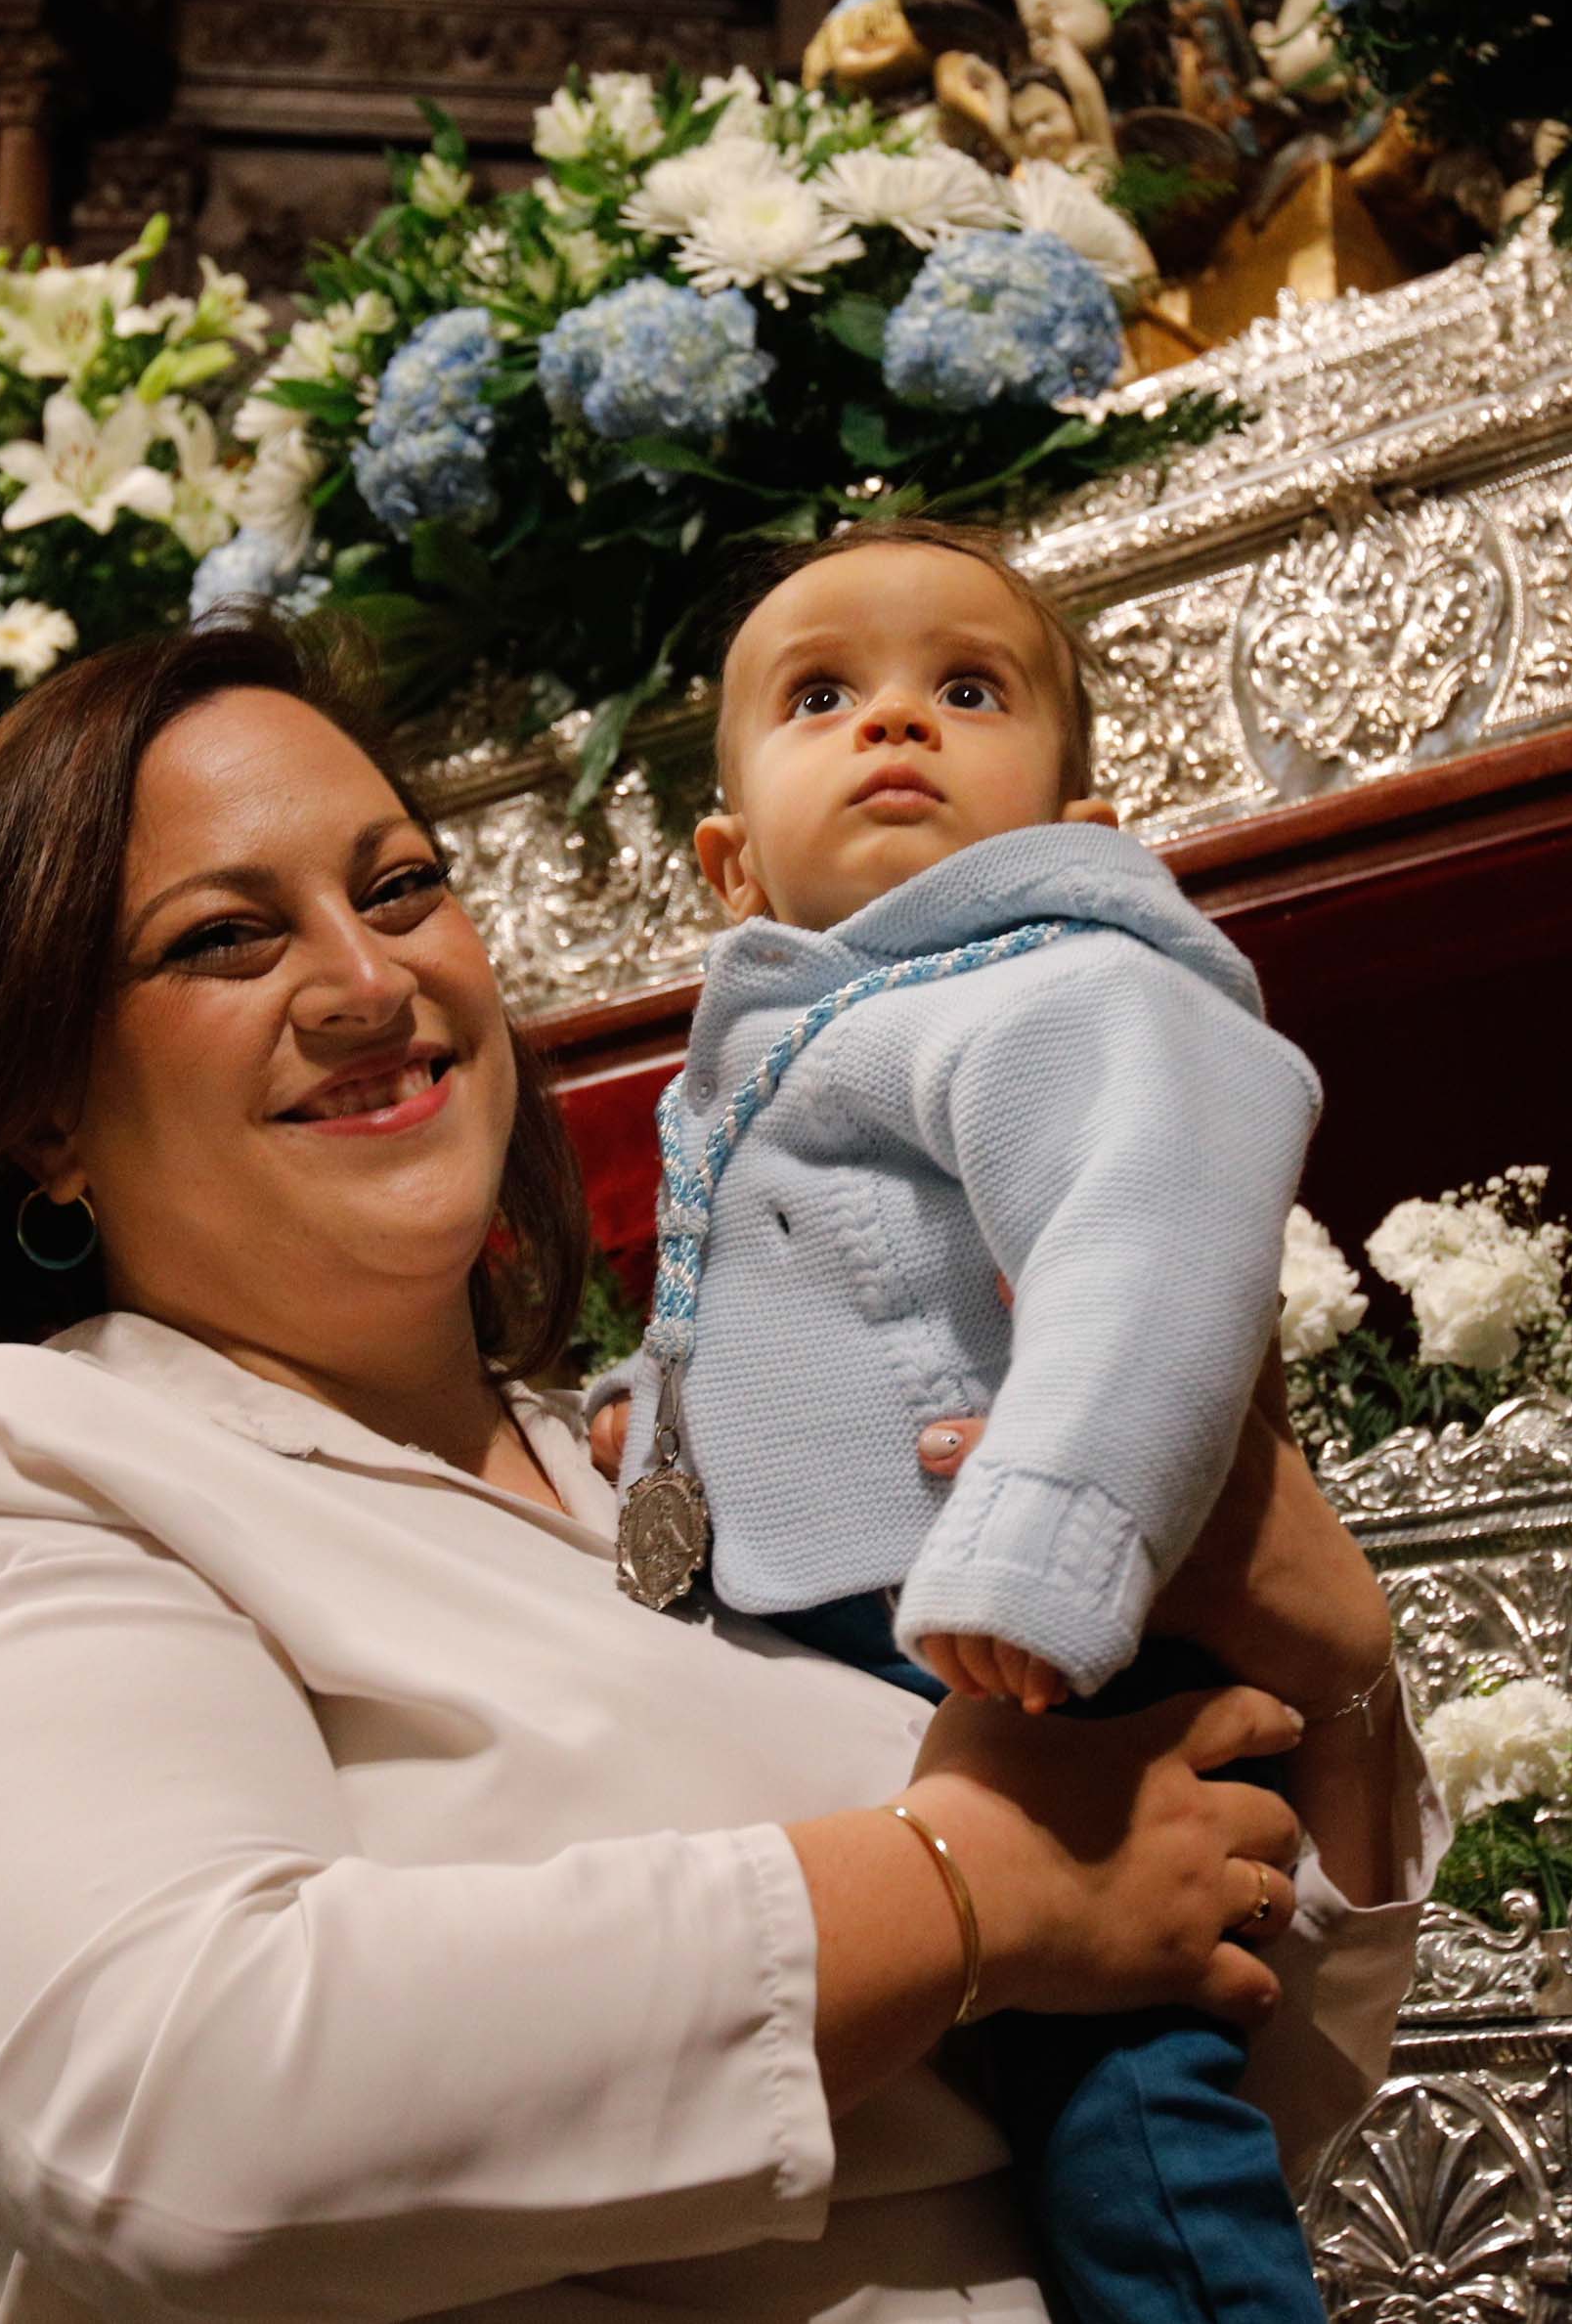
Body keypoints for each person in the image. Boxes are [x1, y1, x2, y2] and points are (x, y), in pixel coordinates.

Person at [0, 612, 1439, 2322]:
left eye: (399, 889)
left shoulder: (676, 1461)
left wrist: (1328, 1670)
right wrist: (966, 1889)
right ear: (41, 1109)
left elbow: (1211, 2119)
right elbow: (173, 2120)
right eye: (228, 938)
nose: (369, 983)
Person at [590, 518, 1340, 2324]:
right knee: (993, 2092)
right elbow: (798, 1289)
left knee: (1128, 2116)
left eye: (970, 689)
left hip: (1016, 1640)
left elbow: (1149, 1237)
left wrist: (1050, 1536)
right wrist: (652, 1421)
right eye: (824, 692)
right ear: (725, 859)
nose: (896, 723)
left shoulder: (1068, 986)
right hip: (876, 1650)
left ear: (1080, 823)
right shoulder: (803, 1025)